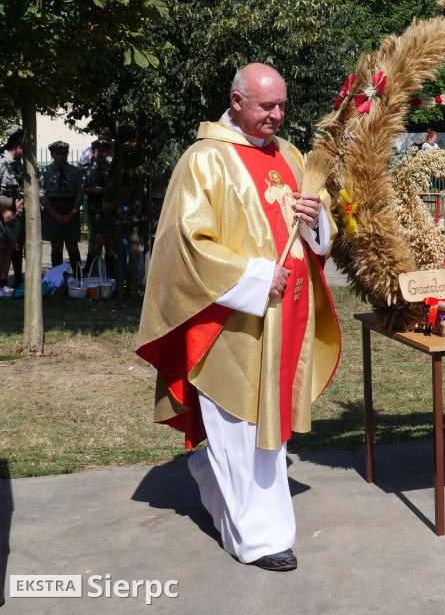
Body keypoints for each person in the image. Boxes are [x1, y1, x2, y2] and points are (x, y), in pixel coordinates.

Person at [136, 63, 341, 572]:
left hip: (287, 314)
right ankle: (260, 539)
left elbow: (321, 229)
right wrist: (251, 275)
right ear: (236, 101)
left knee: (265, 424)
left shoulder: (291, 155)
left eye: (282, 106)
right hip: (229, 318)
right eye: (266, 106)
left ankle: (211, 474)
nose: (277, 115)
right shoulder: (205, 160)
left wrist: (317, 225)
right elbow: (185, 242)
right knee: (237, 421)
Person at [40, 141, 84, 274]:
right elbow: (42, 196)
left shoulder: (75, 172)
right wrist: (55, 215)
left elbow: (80, 194)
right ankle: (57, 276)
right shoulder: (45, 172)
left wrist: (72, 213)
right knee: (56, 245)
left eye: (64, 154)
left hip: (71, 209)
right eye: (58, 154)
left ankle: (77, 276)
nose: (61, 157)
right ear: (52, 155)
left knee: (72, 244)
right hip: (52, 210)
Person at [82, 138, 115, 278]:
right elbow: (79, 189)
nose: (100, 153)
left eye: (103, 151)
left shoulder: (111, 169)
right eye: (97, 151)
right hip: (94, 209)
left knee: (109, 242)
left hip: (108, 208)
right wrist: (91, 190)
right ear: (93, 151)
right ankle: (86, 270)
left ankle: (109, 276)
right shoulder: (86, 169)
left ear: (107, 152)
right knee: (99, 241)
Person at [0, 127, 24, 295]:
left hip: (13, 212)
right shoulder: (1, 162)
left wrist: (20, 202)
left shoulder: (18, 164)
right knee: (0, 246)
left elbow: (22, 186)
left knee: (10, 246)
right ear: (16, 146)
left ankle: (3, 283)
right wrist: (4, 212)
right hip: (2, 211)